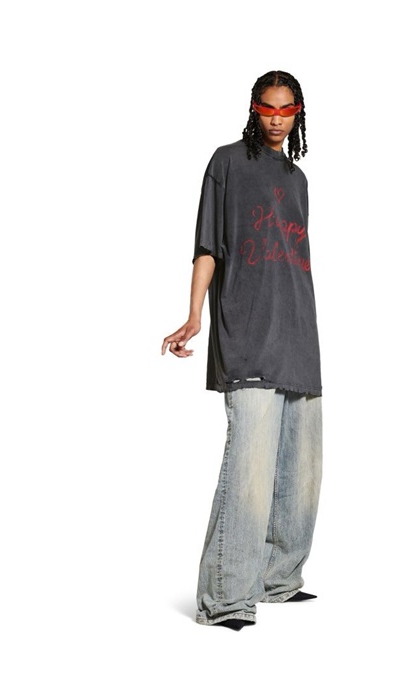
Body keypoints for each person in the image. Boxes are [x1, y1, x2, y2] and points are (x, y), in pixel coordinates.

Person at [161, 70, 323, 631]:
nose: (277, 118)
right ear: (254, 109)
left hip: (299, 336)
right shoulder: (227, 162)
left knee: (300, 473)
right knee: (250, 469)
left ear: (298, 112)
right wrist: (194, 315)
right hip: (249, 333)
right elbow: (207, 245)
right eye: (268, 108)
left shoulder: (297, 179)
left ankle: (278, 579)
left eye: (286, 109)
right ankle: (226, 597)